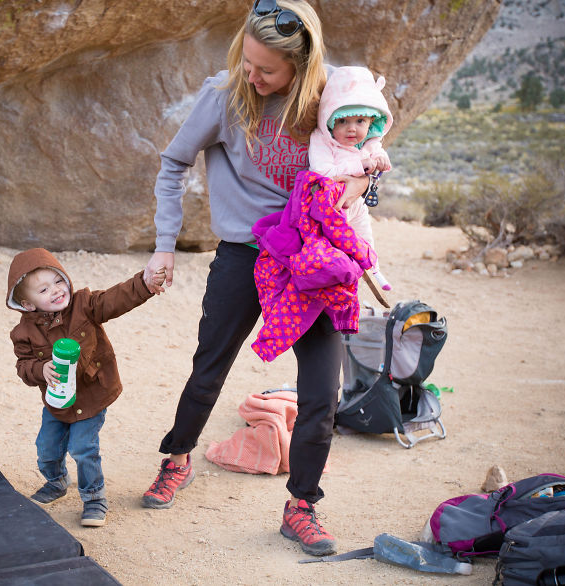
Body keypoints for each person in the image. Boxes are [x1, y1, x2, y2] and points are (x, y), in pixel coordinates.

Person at [140, 0, 371, 556]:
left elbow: (365, 164)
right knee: (209, 367)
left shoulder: (334, 98)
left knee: (322, 391)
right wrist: (164, 246)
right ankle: (177, 459)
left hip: (313, 260)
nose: (252, 74)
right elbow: (174, 162)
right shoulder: (225, 96)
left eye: (266, 69)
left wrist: (356, 189)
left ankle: (302, 506)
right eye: (247, 60)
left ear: (303, 65)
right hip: (246, 251)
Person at [7, 247, 164, 527]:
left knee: (83, 448)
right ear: (28, 305)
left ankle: (94, 498)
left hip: (91, 394)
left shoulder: (85, 304)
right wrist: (40, 370)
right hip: (57, 401)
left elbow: (116, 299)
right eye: (43, 290)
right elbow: (23, 366)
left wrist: (144, 283)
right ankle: (56, 481)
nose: (56, 291)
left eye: (58, 281)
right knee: (46, 448)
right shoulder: (24, 333)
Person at [308, 65, 394, 292]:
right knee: (336, 246)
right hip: (329, 208)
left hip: (356, 205)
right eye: (343, 121)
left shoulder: (367, 143)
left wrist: (381, 160)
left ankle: (374, 268)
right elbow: (322, 170)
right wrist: (358, 165)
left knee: (365, 236)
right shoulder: (322, 141)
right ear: (329, 120)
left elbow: (375, 154)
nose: (351, 129)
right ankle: (334, 277)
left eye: (360, 122)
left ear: (371, 123)